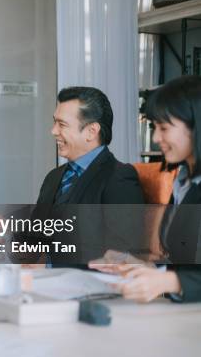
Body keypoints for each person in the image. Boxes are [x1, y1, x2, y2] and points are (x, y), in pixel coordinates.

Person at [91, 76, 201, 303]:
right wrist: (140, 266)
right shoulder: (184, 183)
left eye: (164, 128)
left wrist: (170, 282)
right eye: (154, 127)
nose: (155, 138)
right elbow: (185, 263)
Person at [30, 87, 145, 263]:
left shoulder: (119, 178)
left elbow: (122, 257)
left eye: (62, 124)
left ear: (91, 131)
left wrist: (49, 268)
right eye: (55, 122)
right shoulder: (53, 177)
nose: (53, 131)